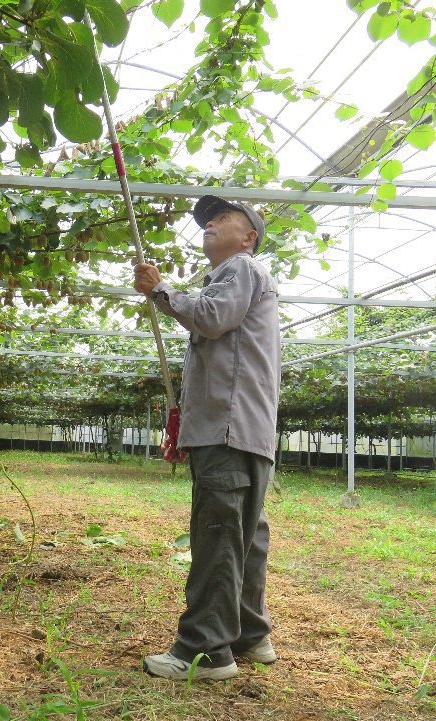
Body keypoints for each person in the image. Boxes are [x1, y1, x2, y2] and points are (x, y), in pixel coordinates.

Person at [132, 195, 281, 681]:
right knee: (243, 535)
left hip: (228, 428)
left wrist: (162, 292)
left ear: (248, 237)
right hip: (246, 430)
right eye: (207, 220)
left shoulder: (240, 268)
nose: (210, 224)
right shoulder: (242, 277)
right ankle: (249, 634)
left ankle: (206, 651)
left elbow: (212, 318)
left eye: (222, 218)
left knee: (218, 534)